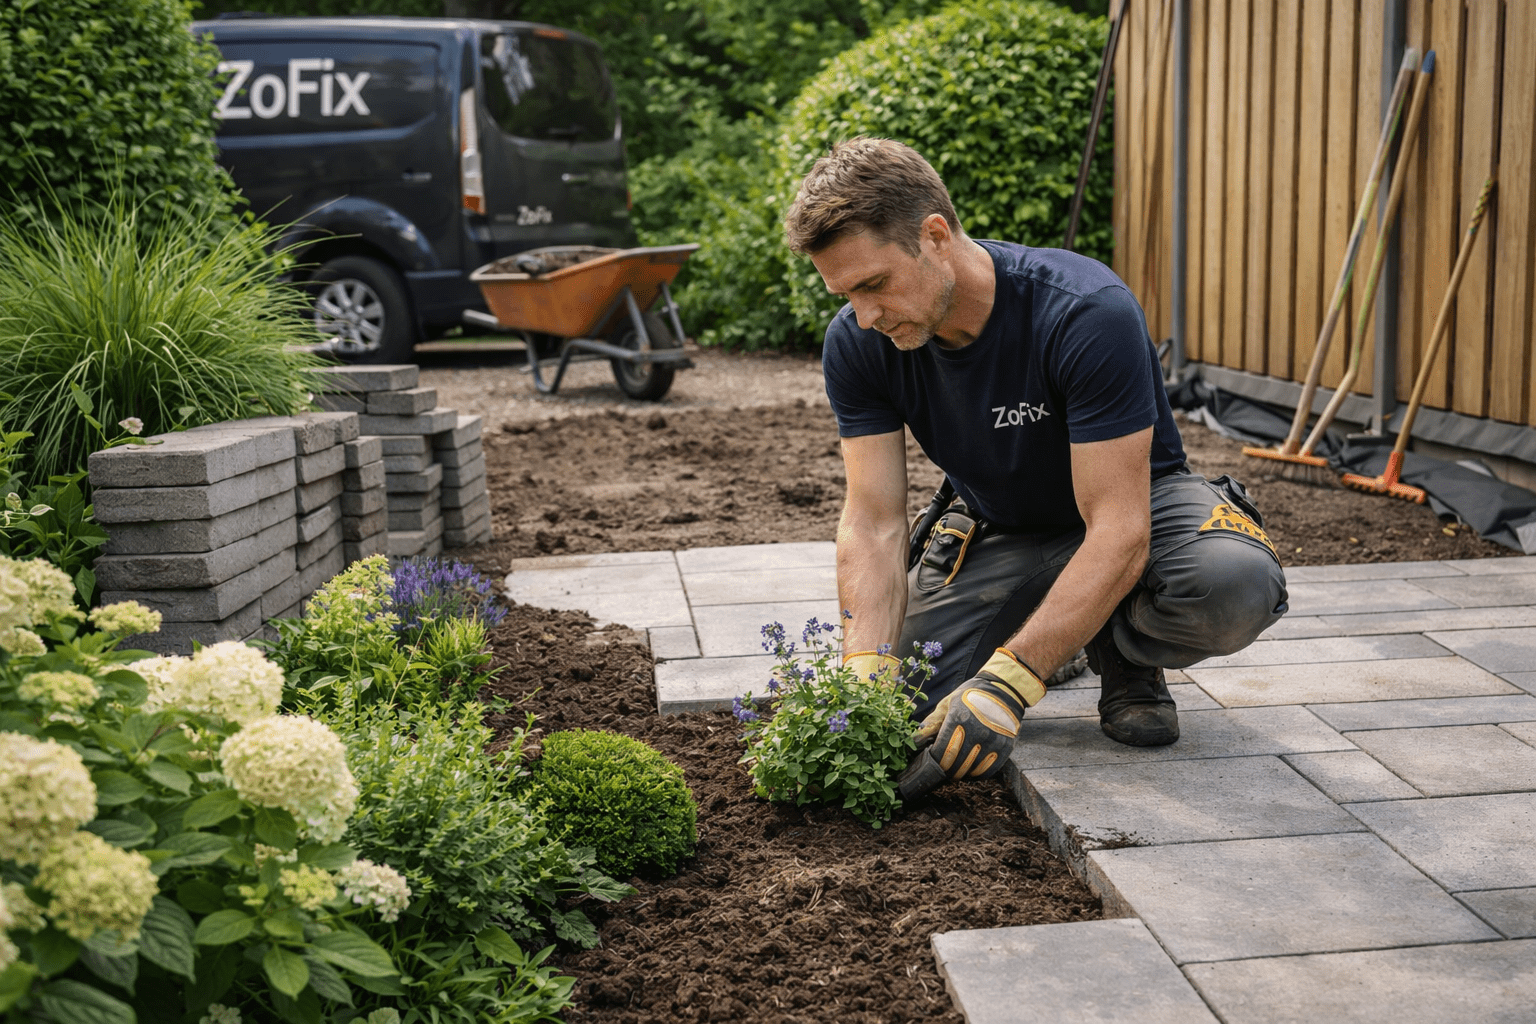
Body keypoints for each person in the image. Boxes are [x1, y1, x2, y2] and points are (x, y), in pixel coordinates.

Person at [784, 138, 1288, 800]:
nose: (865, 315)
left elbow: (1118, 525)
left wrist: (1013, 679)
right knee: (900, 706)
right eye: (847, 294)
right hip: (1000, 520)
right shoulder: (859, 343)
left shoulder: (1082, 311)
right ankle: (1066, 632)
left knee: (1232, 588)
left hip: (1135, 506)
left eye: (874, 284)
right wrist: (865, 669)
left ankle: (1118, 653)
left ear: (935, 237)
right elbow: (874, 520)